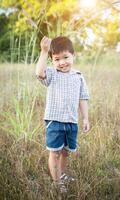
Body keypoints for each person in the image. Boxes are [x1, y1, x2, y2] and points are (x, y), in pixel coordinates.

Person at [35, 36, 90, 193]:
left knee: (66, 152)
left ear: (74, 56)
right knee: (55, 152)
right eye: (57, 59)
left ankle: (61, 174)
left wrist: (85, 118)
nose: (62, 62)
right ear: (52, 60)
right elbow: (39, 73)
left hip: (72, 122)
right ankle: (56, 182)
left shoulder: (78, 76)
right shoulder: (52, 74)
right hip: (55, 121)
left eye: (66, 57)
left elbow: (83, 98)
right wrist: (44, 51)